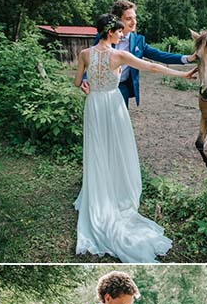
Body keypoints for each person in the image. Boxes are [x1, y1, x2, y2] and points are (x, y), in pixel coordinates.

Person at [73, 14, 194, 262]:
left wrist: (86, 86)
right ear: (110, 32)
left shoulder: (85, 54)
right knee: (117, 150)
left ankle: (100, 191)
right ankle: (116, 193)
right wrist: (182, 75)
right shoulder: (118, 55)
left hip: (94, 104)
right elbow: (150, 66)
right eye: (119, 32)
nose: (121, 35)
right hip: (112, 104)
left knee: (98, 150)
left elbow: (78, 82)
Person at [82, 0, 197, 107]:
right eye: (128, 19)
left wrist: (188, 58)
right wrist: (85, 79)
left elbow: (159, 55)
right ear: (117, 20)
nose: (134, 22)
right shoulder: (103, 36)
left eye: (134, 18)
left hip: (122, 87)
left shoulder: (138, 41)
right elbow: (93, 60)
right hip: (99, 88)